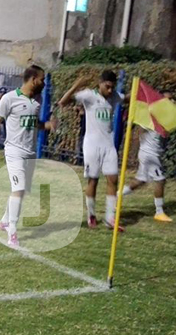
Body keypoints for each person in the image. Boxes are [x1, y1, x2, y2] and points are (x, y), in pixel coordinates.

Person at [0, 65, 54, 248]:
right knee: (19, 187)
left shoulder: (37, 100)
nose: (44, 83)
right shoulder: (9, 99)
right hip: (14, 151)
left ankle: (5, 220)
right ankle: (12, 231)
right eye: (42, 79)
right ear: (33, 80)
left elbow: (33, 123)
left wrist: (46, 125)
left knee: (21, 190)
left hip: (30, 152)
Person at [58, 70, 125, 232]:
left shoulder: (114, 96)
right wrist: (77, 85)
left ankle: (110, 217)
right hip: (92, 146)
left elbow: (127, 98)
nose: (110, 90)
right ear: (100, 84)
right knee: (93, 181)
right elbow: (63, 102)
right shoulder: (89, 95)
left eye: (112, 87)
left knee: (113, 179)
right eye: (107, 86)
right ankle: (91, 214)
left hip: (109, 145)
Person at [121, 90, 174, 223]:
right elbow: (140, 130)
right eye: (168, 99)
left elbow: (165, 134)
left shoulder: (163, 116)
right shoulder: (152, 115)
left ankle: (116, 197)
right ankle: (159, 212)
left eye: (172, 99)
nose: (172, 102)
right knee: (160, 180)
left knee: (141, 180)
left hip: (151, 153)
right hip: (150, 154)